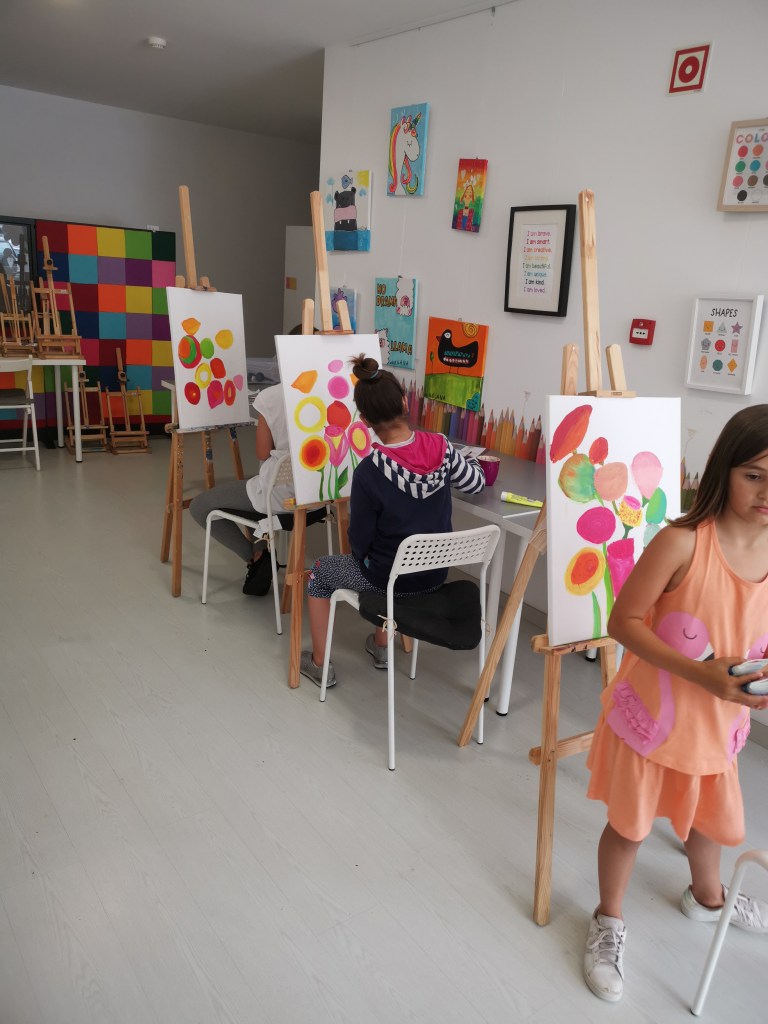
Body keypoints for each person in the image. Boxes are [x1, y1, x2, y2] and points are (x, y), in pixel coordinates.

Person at [583, 405, 768, 1003]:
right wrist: (701, 675)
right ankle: (608, 919)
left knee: (709, 821)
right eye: (754, 475)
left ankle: (708, 897)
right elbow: (623, 622)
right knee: (629, 828)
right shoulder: (683, 542)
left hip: (718, 726)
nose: (767, 493)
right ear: (724, 470)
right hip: (654, 723)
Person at [299, 354, 484, 687]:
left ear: (365, 421)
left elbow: (359, 541)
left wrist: (365, 557)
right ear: (404, 402)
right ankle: (381, 647)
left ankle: (319, 664)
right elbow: (475, 483)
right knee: (386, 558)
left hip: (387, 579)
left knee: (320, 573)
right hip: (434, 575)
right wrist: (475, 463)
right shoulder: (443, 447)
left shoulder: (368, 472)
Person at [190, 325, 323, 596]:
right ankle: (262, 550)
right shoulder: (337, 392)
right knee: (256, 488)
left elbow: (262, 452)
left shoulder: (271, 397)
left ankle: (254, 556)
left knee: (200, 506)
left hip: (281, 498)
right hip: (322, 497)